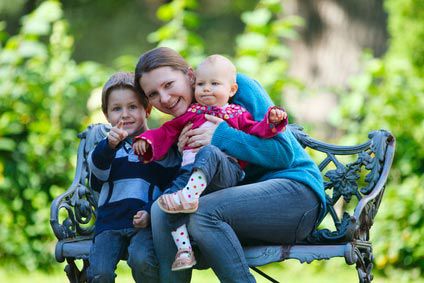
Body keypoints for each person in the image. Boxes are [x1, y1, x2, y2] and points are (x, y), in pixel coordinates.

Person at [134, 47, 326, 283]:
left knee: (202, 214)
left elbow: (283, 154)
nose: (164, 99)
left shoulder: (237, 86)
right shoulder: (189, 120)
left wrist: (221, 135)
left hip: (295, 195)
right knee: (162, 210)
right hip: (242, 211)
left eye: (169, 84)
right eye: (152, 94)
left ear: (190, 75)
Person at [86, 72, 180, 283]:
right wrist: (109, 146)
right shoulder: (107, 149)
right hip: (109, 224)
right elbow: (96, 177)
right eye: (117, 109)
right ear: (106, 114)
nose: (125, 114)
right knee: (99, 272)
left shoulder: (158, 145)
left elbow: (171, 184)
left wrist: (149, 213)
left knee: (143, 260)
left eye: (133, 107)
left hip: (144, 225)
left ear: (147, 110)